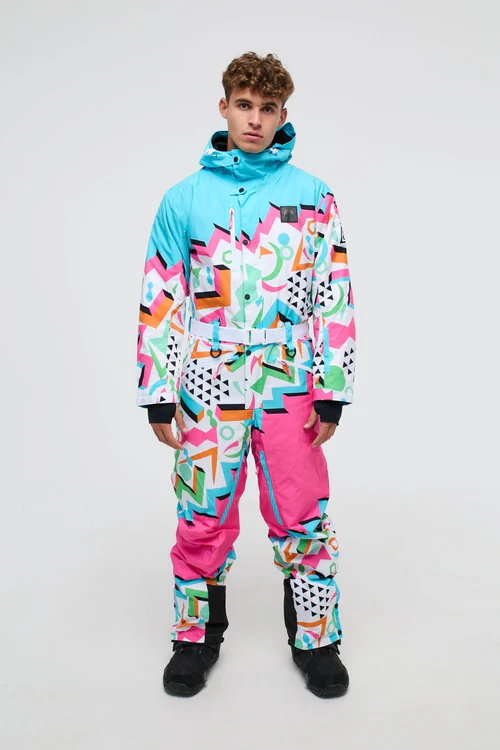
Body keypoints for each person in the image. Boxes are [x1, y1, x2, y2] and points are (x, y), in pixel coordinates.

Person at [136, 51, 356, 698]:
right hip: (210, 375)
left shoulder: (313, 197)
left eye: (267, 108)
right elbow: (161, 294)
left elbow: (333, 292)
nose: (254, 120)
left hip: (289, 377)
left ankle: (316, 639)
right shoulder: (184, 200)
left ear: (283, 114)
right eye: (243, 105)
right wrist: (157, 392)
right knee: (201, 510)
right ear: (224, 107)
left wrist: (333, 389)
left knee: (302, 511)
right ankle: (194, 639)